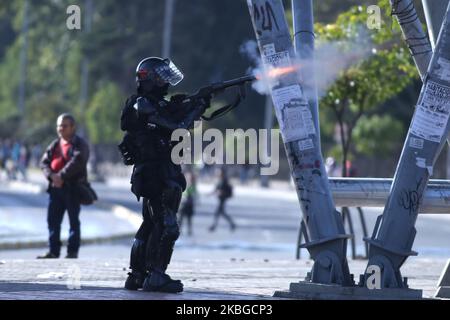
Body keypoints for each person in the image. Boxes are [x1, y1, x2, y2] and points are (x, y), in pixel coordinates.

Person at [119, 57, 210, 293]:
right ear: (148, 79)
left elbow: (171, 120)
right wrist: (198, 108)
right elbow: (177, 128)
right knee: (168, 226)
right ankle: (156, 275)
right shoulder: (144, 104)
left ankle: (137, 275)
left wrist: (191, 103)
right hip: (158, 173)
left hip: (151, 173)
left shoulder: (148, 103)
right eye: (159, 76)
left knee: (150, 223)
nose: (165, 81)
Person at [38, 113, 89, 259]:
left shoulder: (80, 144)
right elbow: (44, 163)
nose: (61, 128)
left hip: (72, 188)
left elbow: (78, 161)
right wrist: (52, 176)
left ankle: (72, 252)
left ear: (72, 127)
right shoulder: (54, 144)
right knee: (52, 220)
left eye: (64, 125)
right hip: (55, 189)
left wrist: (60, 176)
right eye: (59, 125)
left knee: (73, 221)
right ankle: (53, 251)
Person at [209, 167, 236, 232]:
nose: (217, 173)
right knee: (221, 213)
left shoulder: (224, 180)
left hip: (223, 199)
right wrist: (210, 193)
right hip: (221, 199)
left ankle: (214, 226)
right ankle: (232, 224)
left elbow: (223, 190)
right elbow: (216, 189)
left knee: (218, 213)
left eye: (219, 172)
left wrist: (220, 192)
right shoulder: (221, 180)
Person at [178, 171, 197, 236]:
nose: (189, 178)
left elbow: (193, 194)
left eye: (190, 178)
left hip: (188, 205)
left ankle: (189, 231)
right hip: (183, 204)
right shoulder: (185, 184)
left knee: (188, 219)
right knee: (181, 218)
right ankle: (179, 230)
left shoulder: (192, 186)